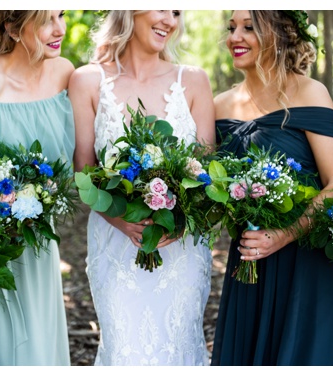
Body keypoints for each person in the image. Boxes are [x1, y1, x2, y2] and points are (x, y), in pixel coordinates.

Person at [211, 10, 333, 366]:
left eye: (249, 27)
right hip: (249, 260)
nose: (235, 37)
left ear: (279, 33)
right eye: (232, 28)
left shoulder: (310, 92)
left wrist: (283, 234)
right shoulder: (219, 105)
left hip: (307, 263)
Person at [70, 10, 215, 366]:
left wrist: (178, 223)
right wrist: (121, 220)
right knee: (123, 350)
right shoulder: (87, 80)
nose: (170, 19)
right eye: (162, 7)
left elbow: (206, 174)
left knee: (180, 346)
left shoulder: (194, 81)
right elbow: (84, 171)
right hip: (115, 244)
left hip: (182, 249)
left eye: (177, 12)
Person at [0, 10, 74, 365]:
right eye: (45, 20)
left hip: (42, 242)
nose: (59, 29)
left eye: (62, 14)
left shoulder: (64, 74)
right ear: (12, 27)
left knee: (42, 339)